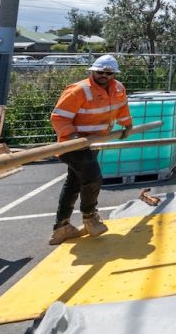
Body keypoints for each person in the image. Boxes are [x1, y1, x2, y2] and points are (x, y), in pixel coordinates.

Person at [48, 54, 133, 245]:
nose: (104, 75)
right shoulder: (79, 90)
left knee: (74, 183)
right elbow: (59, 118)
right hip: (73, 144)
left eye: (108, 73)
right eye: (100, 72)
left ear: (113, 74)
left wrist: (127, 125)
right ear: (92, 71)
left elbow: (121, 109)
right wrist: (74, 137)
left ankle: (61, 228)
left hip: (93, 143)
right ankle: (90, 218)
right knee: (93, 178)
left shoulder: (118, 88)